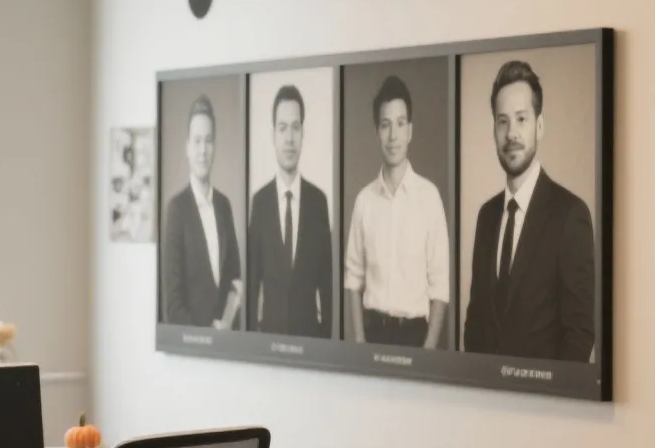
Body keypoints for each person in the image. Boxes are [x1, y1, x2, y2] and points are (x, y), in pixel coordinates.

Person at [463, 60, 597, 360]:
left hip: (544, 402)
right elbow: (475, 322)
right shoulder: (486, 217)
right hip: (486, 401)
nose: (511, 133)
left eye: (521, 119)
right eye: (503, 121)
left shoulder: (570, 215)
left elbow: (580, 330)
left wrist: (549, 399)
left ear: (539, 125)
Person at [345, 75, 450, 349]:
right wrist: (359, 343)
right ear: (377, 133)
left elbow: (440, 287)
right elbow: (353, 279)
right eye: (385, 125)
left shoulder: (429, 198)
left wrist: (428, 351)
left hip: (415, 338)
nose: (393, 136)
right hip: (373, 337)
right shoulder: (364, 201)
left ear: (410, 131)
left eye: (400, 124)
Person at [246, 83, 335, 337]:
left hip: (310, 344)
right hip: (269, 346)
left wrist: (325, 347)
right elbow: (252, 288)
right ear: (273, 134)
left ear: (303, 133)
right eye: (282, 128)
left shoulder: (319, 203)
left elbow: (327, 291)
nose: (289, 139)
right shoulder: (259, 203)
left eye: (295, 127)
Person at [160, 95, 242, 328]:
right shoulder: (176, 210)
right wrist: (209, 334)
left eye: (208, 140)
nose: (202, 150)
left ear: (215, 146)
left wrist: (227, 321)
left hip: (228, 345)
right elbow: (173, 307)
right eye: (197, 141)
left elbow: (235, 278)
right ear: (187, 147)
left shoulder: (224, 206)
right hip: (192, 350)